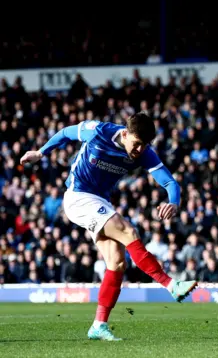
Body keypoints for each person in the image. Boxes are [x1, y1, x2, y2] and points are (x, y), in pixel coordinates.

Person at [20, 112, 197, 341]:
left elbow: (169, 182)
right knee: (128, 231)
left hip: (100, 201)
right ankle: (171, 285)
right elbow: (66, 133)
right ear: (125, 133)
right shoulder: (98, 131)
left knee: (117, 262)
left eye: (145, 145)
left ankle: (98, 325)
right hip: (78, 196)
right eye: (136, 144)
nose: (139, 150)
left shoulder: (143, 153)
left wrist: (173, 202)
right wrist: (40, 152)